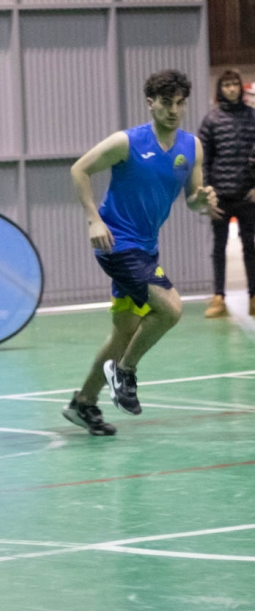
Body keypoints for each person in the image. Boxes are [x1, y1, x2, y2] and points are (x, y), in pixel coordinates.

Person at [63, 70, 217, 435]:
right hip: (115, 243)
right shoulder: (127, 142)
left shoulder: (191, 148)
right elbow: (79, 169)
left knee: (124, 332)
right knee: (170, 308)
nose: (174, 111)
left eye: (180, 103)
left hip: (146, 248)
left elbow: (192, 200)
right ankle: (124, 371)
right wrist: (93, 220)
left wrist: (202, 201)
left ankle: (83, 403)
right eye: (166, 103)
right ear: (150, 103)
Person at [199, 69, 255, 318]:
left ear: (240, 87)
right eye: (226, 85)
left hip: (247, 196)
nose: (231, 88)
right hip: (219, 197)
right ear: (219, 89)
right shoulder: (211, 120)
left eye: (235, 84)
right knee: (218, 248)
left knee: (250, 247)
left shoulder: (252, 117)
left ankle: (253, 297)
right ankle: (218, 298)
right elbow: (203, 160)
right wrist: (207, 194)